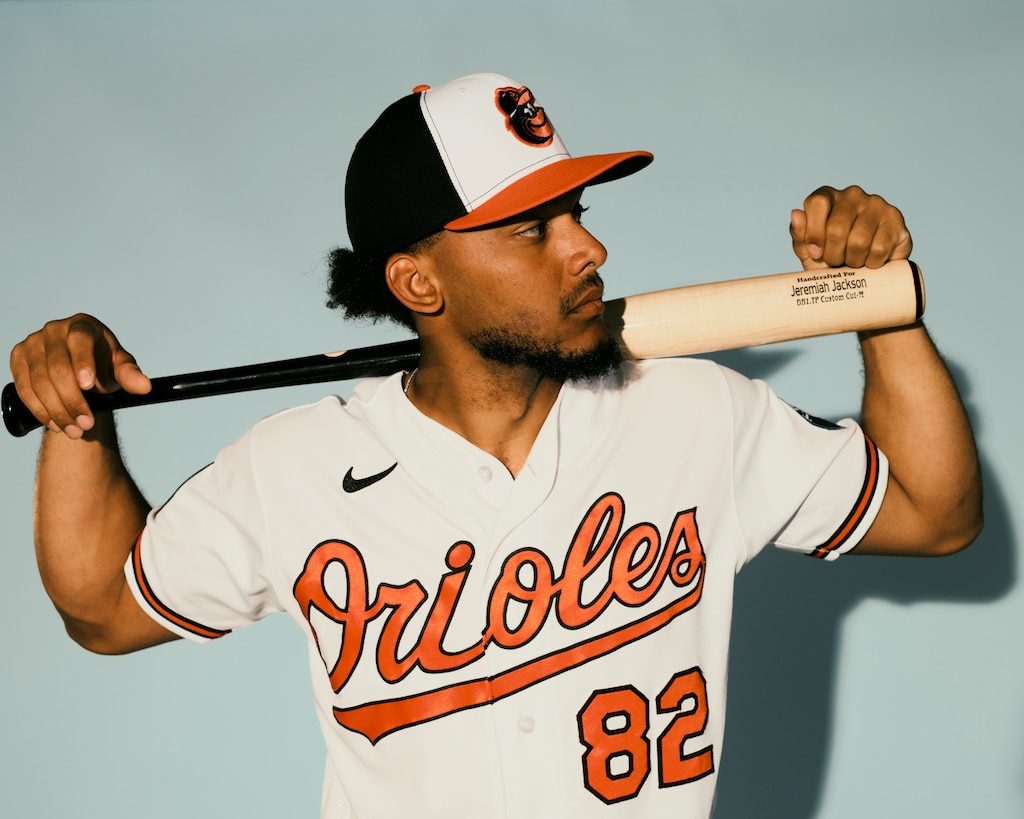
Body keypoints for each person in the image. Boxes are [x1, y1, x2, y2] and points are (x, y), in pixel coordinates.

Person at [9, 72, 982, 817]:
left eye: (578, 214)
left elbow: (933, 513)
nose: (586, 248)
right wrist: (73, 417)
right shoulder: (292, 468)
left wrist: (878, 304)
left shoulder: (694, 412)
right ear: (419, 283)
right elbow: (103, 609)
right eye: (530, 229)